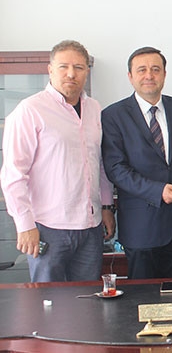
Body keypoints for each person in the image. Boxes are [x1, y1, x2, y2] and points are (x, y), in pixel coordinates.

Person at [0, 40, 115, 282]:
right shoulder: (30, 110)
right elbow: (13, 174)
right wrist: (24, 225)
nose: (71, 74)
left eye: (79, 67)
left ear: (87, 72)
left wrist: (106, 207)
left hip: (90, 227)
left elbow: (100, 163)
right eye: (64, 66)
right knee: (48, 300)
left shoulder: (94, 108)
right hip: (48, 228)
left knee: (86, 298)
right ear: (50, 69)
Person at [101, 46, 172, 279]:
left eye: (156, 69)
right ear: (130, 76)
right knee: (143, 295)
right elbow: (116, 169)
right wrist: (158, 191)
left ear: (164, 74)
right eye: (142, 70)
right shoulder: (113, 115)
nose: (149, 75)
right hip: (141, 226)